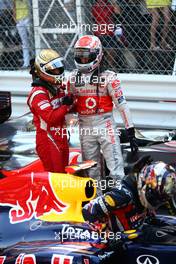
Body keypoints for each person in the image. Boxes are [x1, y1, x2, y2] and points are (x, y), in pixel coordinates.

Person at [67, 35, 138, 191]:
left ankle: (118, 201)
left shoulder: (109, 77)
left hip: (105, 123)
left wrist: (130, 131)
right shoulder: (72, 78)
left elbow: (122, 105)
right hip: (84, 125)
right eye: (80, 56)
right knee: (91, 170)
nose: (83, 60)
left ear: (97, 55)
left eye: (86, 57)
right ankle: (97, 204)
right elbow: (68, 106)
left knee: (115, 166)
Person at [82, 156, 176, 243]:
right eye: (157, 197)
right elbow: (88, 210)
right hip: (119, 242)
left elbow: (149, 217)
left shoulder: (144, 191)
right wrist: (109, 237)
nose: (158, 201)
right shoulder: (122, 195)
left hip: (135, 233)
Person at [27, 49, 73, 172]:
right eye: (53, 69)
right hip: (48, 140)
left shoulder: (58, 88)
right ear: (42, 71)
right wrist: (67, 105)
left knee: (64, 174)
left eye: (58, 68)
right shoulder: (38, 94)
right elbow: (51, 118)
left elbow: (70, 105)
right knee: (56, 178)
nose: (58, 72)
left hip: (61, 137)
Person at [13, 0, 30, 68]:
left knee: (33, 39)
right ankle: (26, 63)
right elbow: (14, 7)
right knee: (24, 42)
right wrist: (15, 18)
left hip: (28, 18)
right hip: (19, 20)